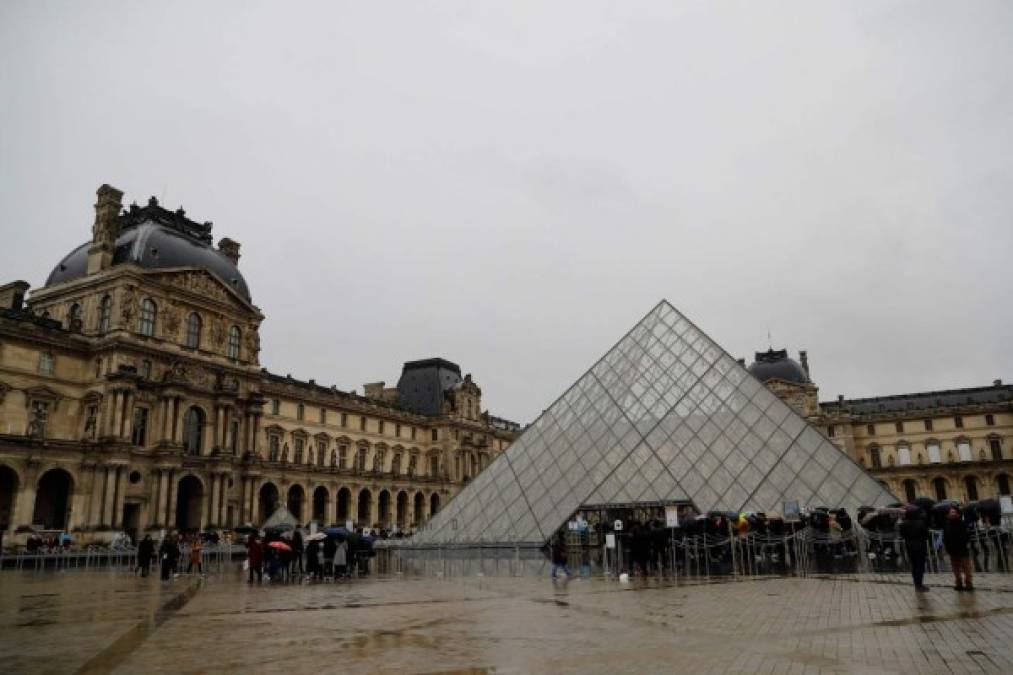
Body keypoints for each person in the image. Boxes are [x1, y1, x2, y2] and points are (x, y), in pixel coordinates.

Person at [899, 507, 930, 592]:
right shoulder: (921, 523)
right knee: (920, 565)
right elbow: (926, 535)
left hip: (909, 546)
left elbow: (902, 535)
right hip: (920, 545)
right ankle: (919, 584)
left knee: (914, 565)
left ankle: (916, 583)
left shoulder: (903, 524)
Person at [943, 506, 973, 591]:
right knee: (955, 568)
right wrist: (947, 547)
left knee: (966, 567)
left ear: (958, 513)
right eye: (951, 512)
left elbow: (967, 536)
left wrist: (964, 544)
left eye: (953, 512)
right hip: (952, 549)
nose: (952, 513)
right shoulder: (947, 524)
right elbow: (945, 537)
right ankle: (958, 583)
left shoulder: (962, 523)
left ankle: (968, 583)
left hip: (962, 549)